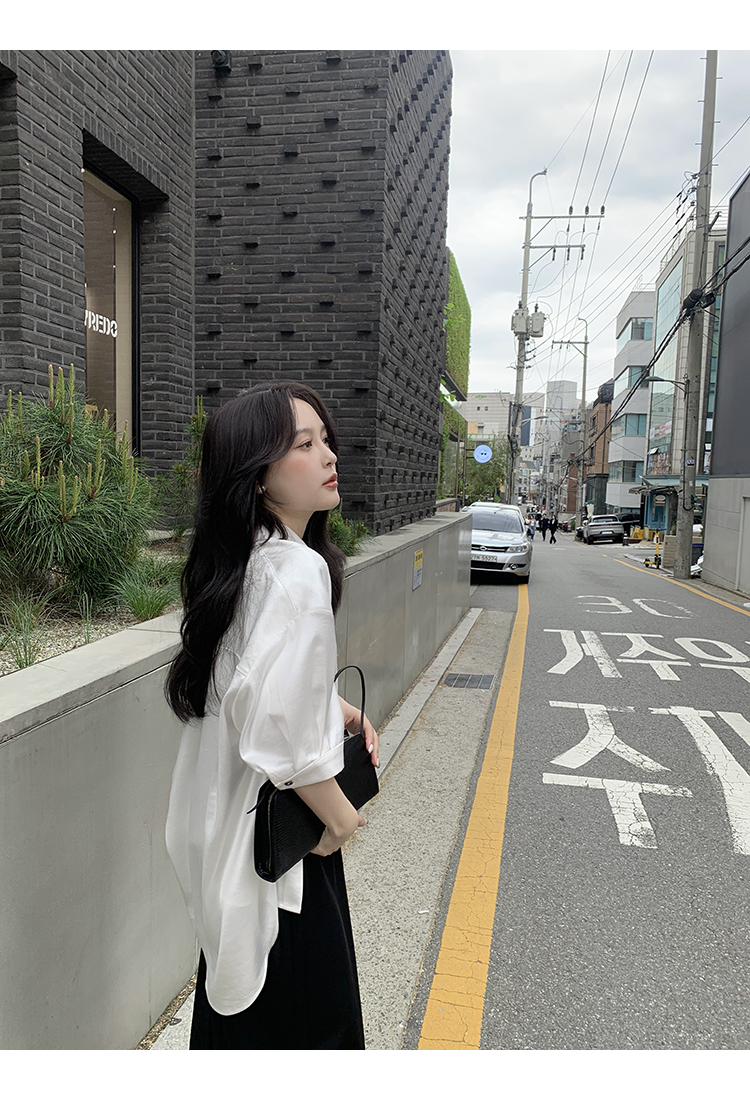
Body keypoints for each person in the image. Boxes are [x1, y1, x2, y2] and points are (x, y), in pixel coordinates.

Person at [164, 380, 379, 1050]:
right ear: (257, 476)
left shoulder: (245, 561)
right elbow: (276, 734)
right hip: (285, 854)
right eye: (303, 445)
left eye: (326, 440)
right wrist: (341, 819)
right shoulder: (296, 570)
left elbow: (246, 685)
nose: (328, 455)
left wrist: (329, 704)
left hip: (232, 843)